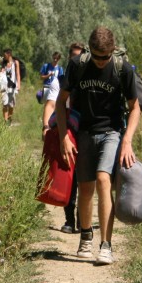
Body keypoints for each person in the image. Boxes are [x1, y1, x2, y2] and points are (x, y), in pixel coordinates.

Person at [54, 27, 141, 265]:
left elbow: (135, 107)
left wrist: (127, 140)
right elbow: (61, 103)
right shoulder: (77, 64)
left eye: (105, 57)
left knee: (104, 179)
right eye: (96, 56)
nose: (101, 62)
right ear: (89, 50)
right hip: (83, 132)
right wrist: (64, 137)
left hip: (111, 132)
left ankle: (106, 244)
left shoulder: (122, 69)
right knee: (85, 188)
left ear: (112, 51)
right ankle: (85, 235)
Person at [60, 42, 85, 233]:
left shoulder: (87, 77)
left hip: (85, 132)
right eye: (73, 56)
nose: (76, 60)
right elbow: (56, 103)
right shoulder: (64, 78)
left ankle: (81, 221)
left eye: (79, 56)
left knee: (82, 179)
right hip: (69, 130)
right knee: (70, 177)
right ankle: (69, 220)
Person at [39, 51, 64, 138]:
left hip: (55, 90)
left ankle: (51, 124)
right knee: (47, 105)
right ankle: (46, 124)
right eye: (54, 58)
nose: (55, 60)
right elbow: (41, 77)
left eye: (57, 59)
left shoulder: (60, 69)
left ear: (59, 59)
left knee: (54, 106)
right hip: (47, 87)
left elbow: (61, 80)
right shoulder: (46, 66)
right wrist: (48, 75)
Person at [0, 48, 20, 125]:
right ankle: (5, 122)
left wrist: (19, 85)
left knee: (11, 105)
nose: (3, 56)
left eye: (4, 55)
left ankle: (9, 118)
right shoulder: (3, 63)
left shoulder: (15, 63)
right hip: (5, 86)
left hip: (13, 86)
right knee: (5, 104)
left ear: (9, 54)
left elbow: (18, 74)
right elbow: (1, 73)